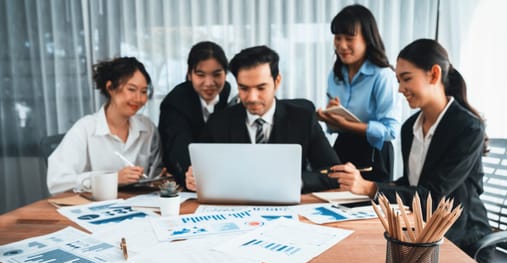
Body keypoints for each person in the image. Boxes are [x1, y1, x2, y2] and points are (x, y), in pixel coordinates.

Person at [327, 39, 492, 263]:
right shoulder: (409, 128)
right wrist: (362, 183)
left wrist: (369, 187)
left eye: (406, 79)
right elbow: (412, 182)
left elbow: (433, 196)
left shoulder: (468, 128)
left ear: (433, 75)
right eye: (398, 80)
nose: (400, 89)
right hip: (420, 228)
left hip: (461, 239)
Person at [185, 45, 340, 193]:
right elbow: (204, 171)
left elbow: (334, 172)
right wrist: (194, 177)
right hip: (235, 208)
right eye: (244, 88)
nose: (252, 98)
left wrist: (294, 181)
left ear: (277, 82)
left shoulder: (302, 117)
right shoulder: (218, 122)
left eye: (261, 88)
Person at [47, 57, 162, 194]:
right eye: (131, 89)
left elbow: (156, 174)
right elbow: (57, 181)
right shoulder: (85, 128)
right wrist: (112, 179)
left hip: (139, 204)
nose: (139, 98)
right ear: (110, 88)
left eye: (143, 91)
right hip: (94, 207)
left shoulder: (147, 128)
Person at [317, 4, 401, 182]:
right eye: (337, 38)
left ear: (367, 39)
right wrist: (330, 116)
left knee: (368, 208)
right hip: (343, 147)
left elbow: (390, 131)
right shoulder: (336, 75)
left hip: (374, 154)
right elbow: (334, 129)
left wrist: (346, 124)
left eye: (349, 38)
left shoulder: (383, 75)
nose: (342, 45)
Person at [159, 41, 234, 186]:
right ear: (189, 75)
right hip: (186, 178)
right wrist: (190, 174)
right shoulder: (175, 102)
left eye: (217, 74)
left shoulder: (228, 94)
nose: (209, 83)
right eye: (200, 75)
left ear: (226, 73)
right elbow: (178, 148)